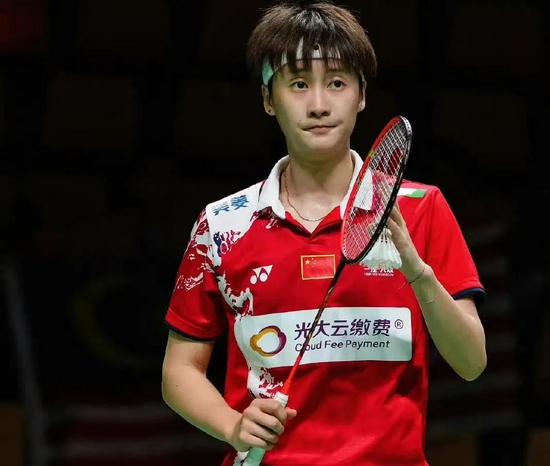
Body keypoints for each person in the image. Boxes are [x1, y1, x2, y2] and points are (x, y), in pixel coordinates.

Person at [161, 1, 487, 465]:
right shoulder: (223, 224)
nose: (318, 104)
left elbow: (472, 363)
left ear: (361, 95)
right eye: (298, 84)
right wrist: (231, 425)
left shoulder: (418, 208)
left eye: (336, 83)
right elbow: (179, 370)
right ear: (268, 99)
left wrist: (417, 272)